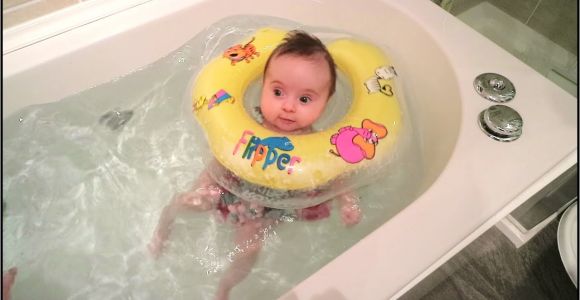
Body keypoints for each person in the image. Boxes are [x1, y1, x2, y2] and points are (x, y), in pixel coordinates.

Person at [148, 30, 362, 300]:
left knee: (250, 248)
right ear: (263, 86)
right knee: (188, 201)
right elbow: (224, 158)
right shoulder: (249, 125)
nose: (288, 107)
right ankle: (164, 227)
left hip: (270, 206)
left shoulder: (317, 144)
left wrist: (347, 200)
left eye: (304, 99)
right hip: (232, 184)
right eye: (278, 92)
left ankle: (225, 287)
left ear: (326, 102)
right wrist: (204, 185)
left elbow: (336, 174)